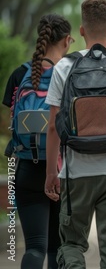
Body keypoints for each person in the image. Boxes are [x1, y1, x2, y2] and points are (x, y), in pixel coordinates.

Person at [44, 0, 106, 268]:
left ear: (81, 31)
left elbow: (52, 125)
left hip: (75, 174)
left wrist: (52, 172)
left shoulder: (64, 66)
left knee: (72, 244)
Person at [2, 14, 72, 269]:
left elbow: (10, 120)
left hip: (27, 168)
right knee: (57, 249)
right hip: (62, 170)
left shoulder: (19, 73)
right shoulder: (69, 74)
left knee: (34, 247)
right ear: (66, 41)